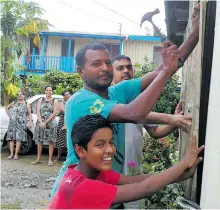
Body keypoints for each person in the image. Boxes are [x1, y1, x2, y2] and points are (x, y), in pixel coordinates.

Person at [51, 4, 200, 200]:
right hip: (84, 191)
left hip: (110, 183)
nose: (105, 68)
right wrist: (166, 71)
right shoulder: (80, 101)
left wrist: (196, 32)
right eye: (96, 64)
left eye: (107, 62)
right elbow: (135, 113)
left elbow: (166, 67)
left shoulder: (118, 91)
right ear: (80, 71)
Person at [48, 114, 204, 209]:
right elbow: (144, 188)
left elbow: (137, 180)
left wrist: (182, 175)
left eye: (111, 142)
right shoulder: (81, 187)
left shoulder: (90, 172)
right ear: (80, 150)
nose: (110, 149)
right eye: (100, 144)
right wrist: (184, 162)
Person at [112, 54, 185, 175]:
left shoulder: (140, 100)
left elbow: (155, 131)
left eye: (129, 67)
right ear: (111, 73)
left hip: (134, 170)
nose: (126, 71)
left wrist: (176, 122)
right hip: (111, 174)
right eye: (120, 68)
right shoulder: (107, 100)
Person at [31, 86, 58, 166]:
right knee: (39, 140)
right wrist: (40, 122)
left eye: (50, 90)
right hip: (40, 123)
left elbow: (54, 113)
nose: (49, 91)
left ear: (52, 92)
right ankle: (38, 159)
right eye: (47, 90)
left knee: (51, 141)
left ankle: (50, 159)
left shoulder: (55, 100)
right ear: (45, 91)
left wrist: (45, 122)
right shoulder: (41, 100)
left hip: (50, 123)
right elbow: (38, 112)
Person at [5, 91, 32, 160]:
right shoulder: (14, 103)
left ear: (24, 96)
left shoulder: (26, 104)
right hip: (12, 124)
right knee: (11, 139)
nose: (19, 96)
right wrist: (10, 115)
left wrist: (30, 121)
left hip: (21, 124)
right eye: (18, 95)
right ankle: (11, 154)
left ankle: (16, 154)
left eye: (21, 94)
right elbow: (6, 108)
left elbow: (29, 113)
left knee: (18, 139)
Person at [55, 90, 72, 161]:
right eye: (65, 95)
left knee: (70, 140)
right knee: (61, 139)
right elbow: (62, 110)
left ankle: (69, 157)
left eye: (68, 94)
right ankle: (58, 156)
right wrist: (70, 113)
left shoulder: (72, 103)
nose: (66, 96)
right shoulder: (62, 102)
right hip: (63, 122)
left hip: (71, 122)